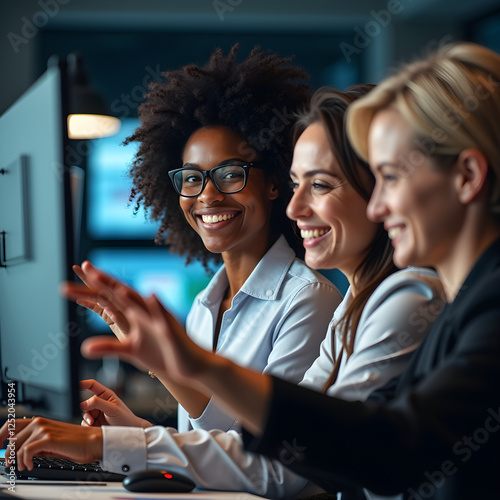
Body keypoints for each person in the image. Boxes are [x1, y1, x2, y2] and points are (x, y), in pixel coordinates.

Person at [63, 42, 499, 499]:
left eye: (390, 177)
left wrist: (183, 379)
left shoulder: (423, 296)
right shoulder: (360, 304)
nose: (379, 203)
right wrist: (137, 426)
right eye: (297, 184)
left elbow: (369, 450)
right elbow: (304, 445)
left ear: (468, 176)